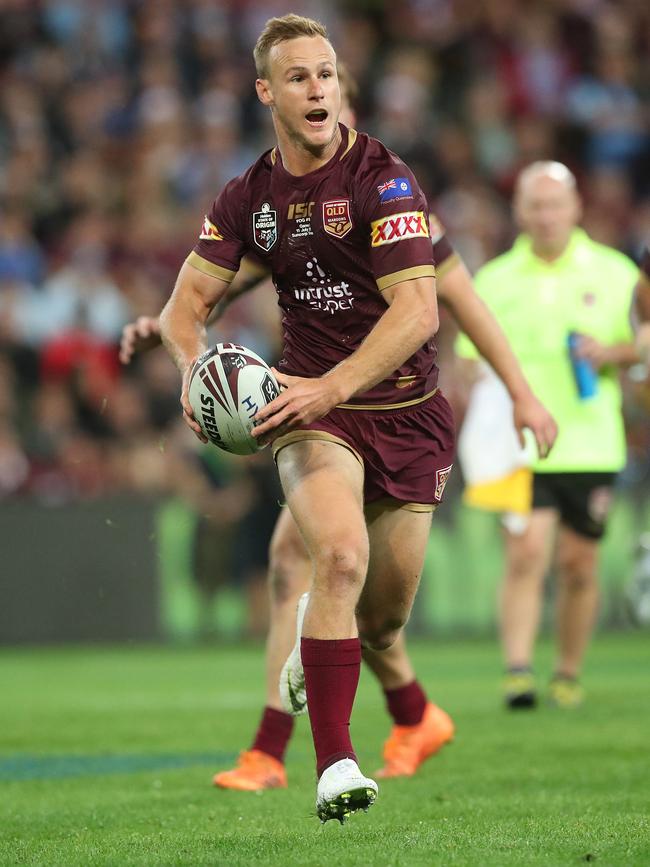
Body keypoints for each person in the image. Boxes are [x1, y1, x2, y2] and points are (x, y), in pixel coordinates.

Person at [155, 15, 556, 822]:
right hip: (311, 418)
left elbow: (421, 312)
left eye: (327, 73)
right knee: (334, 556)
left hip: (404, 414)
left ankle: (335, 651)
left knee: (381, 621)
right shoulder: (249, 198)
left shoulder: (388, 181)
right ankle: (331, 763)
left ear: (341, 84)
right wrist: (197, 378)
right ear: (267, 91)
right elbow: (183, 311)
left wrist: (517, 386)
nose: (318, 89)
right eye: (299, 77)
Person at [456, 161, 641, 711]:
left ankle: (567, 671)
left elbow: (643, 343)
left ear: (576, 207)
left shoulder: (616, 274)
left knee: (579, 565)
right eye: (534, 206)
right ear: (519, 213)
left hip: (590, 439)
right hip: (520, 443)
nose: (545, 216)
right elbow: (469, 360)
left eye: (555, 204)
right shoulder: (493, 281)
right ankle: (518, 671)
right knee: (526, 551)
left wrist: (612, 353)